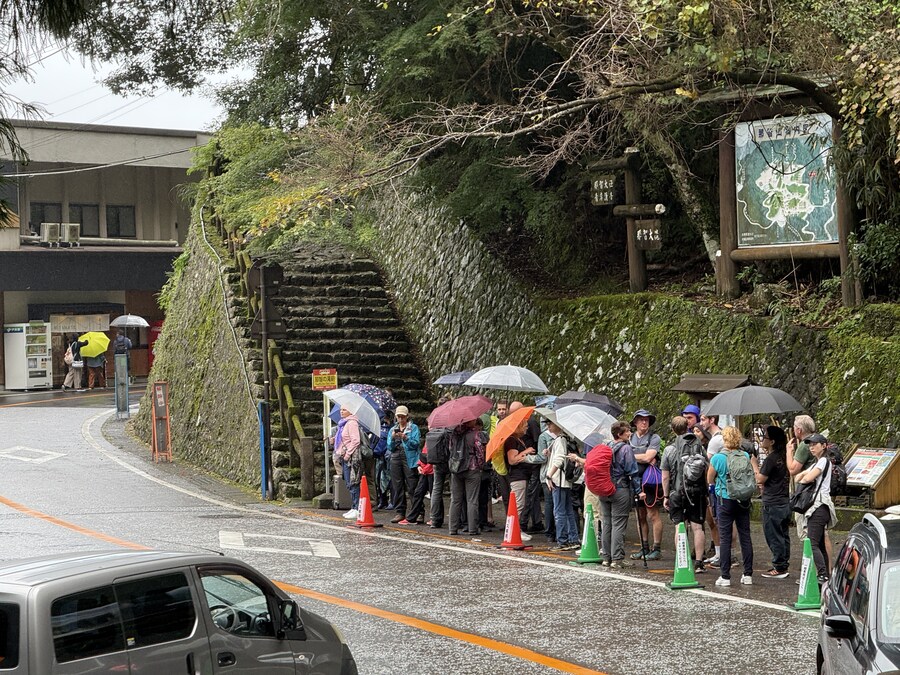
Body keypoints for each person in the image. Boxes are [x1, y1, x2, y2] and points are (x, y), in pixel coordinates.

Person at [707, 426, 758, 587]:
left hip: (725, 499)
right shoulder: (744, 455)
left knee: (725, 537)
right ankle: (748, 574)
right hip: (743, 499)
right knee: (745, 535)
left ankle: (725, 576)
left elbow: (710, 478)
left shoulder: (718, 458)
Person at [661, 416, 708, 574]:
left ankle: (682, 560)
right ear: (687, 426)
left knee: (679, 526)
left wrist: (666, 496)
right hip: (696, 491)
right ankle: (699, 562)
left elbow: (665, 476)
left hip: (677, 491)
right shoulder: (697, 446)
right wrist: (705, 490)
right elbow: (705, 467)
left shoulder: (669, 449)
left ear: (673, 429)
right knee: (697, 527)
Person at [597, 422, 642, 568]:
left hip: (604, 488)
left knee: (607, 523)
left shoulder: (606, 447)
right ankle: (617, 559)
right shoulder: (626, 448)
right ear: (620, 434)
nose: (630, 433)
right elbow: (632, 471)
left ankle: (606, 557)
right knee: (618, 523)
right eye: (627, 431)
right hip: (620, 488)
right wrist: (638, 490)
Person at [796, 432, 838, 584]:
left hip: (819, 507)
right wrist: (805, 476)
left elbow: (805, 478)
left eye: (815, 444)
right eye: (810, 445)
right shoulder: (817, 463)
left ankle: (822, 575)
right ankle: (825, 574)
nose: (812, 447)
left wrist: (805, 476)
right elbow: (797, 477)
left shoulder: (823, 462)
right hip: (819, 507)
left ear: (824, 446)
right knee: (819, 542)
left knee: (812, 542)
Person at [756, 425, 791, 579]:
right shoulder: (784, 456)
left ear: (772, 441)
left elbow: (761, 478)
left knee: (773, 534)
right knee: (783, 533)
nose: (763, 439)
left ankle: (779, 566)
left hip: (772, 501)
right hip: (784, 499)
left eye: (765, 437)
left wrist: (753, 464)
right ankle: (783, 563)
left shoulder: (771, 459)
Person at [629, 409, 663, 561]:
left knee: (653, 514)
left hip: (650, 481)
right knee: (640, 515)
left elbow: (649, 457)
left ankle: (656, 548)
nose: (644, 422)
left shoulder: (654, 438)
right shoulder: (629, 438)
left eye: (647, 420)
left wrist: (631, 456)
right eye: (641, 419)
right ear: (635, 422)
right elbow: (644, 457)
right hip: (635, 480)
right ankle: (644, 547)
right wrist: (641, 457)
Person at [544, 416, 579, 550]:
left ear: (558, 424)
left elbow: (558, 460)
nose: (548, 426)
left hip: (558, 480)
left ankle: (562, 540)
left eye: (550, 424)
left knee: (559, 511)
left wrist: (549, 475)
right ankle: (573, 539)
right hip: (566, 480)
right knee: (568, 510)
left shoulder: (560, 440)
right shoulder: (566, 438)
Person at [510, 401, 544, 533]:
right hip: (521, 466)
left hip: (531, 463)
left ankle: (529, 523)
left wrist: (534, 455)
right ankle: (523, 525)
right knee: (525, 498)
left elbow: (537, 441)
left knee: (530, 495)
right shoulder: (514, 428)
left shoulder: (531, 422)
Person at [448, 420, 484, 536]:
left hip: (456, 468)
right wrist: (480, 465)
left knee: (455, 499)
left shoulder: (454, 433)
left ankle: (452, 528)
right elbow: (480, 453)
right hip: (472, 468)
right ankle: (473, 528)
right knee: (472, 500)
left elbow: (450, 448)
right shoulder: (475, 434)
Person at [504, 413, 535, 542]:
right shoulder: (511, 440)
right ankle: (513, 530)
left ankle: (517, 529)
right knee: (518, 505)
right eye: (525, 426)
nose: (527, 428)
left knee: (520, 503)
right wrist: (525, 452)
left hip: (523, 476)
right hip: (517, 476)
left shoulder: (518, 439)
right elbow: (512, 460)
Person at [388, 406, 421, 523]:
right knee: (397, 485)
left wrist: (405, 438)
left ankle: (418, 511)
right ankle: (400, 512)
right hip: (396, 456)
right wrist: (392, 438)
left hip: (409, 457)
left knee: (412, 485)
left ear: (407, 416)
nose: (401, 419)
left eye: (403, 417)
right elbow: (389, 447)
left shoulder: (413, 428)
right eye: (398, 417)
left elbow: (416, 444)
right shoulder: (393, 429)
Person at [701, 413, 724, 565]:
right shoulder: (719, 437)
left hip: (717, 484)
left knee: (718, 520)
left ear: (712, 420)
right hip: (718, 484)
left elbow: (709, 465)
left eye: (703, 419)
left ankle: (724, 554)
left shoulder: (716, 440)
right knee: (713, 520)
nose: (701, 422)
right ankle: (718, 552)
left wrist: (709, 484)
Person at [333, 407, 363, 520]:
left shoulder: (352, 423)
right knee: (348, 482)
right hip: (343, 456)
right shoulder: (343, 423)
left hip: (351, 458)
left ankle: (356, 507)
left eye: (344, 409)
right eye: (341, 409)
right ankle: (353, 506)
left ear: (351, 411)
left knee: (353, 482)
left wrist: (347, 454)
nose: (341, 411)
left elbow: (356, 440)